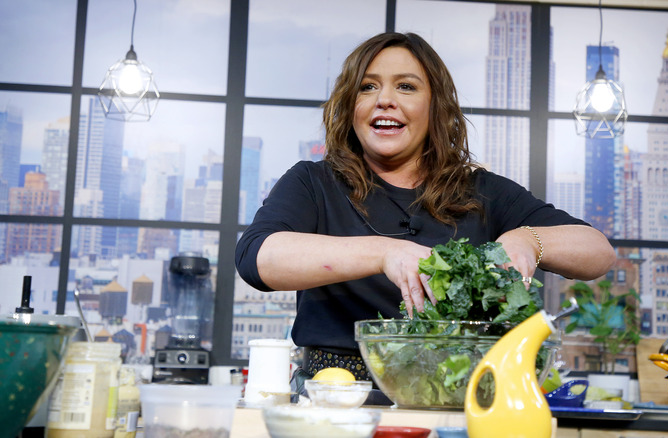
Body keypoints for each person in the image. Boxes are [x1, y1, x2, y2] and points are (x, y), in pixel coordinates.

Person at [235, 32, 615, 385]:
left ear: (436, 107)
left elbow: (597, 252)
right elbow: (257, 258)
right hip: (333, 396)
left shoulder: (481, 191)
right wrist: (386, 252)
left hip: (453, 396)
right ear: (351, 106)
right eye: (368, 86)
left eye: (406, 86)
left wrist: (529, 241)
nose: (385, 99)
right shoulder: (313, 183)